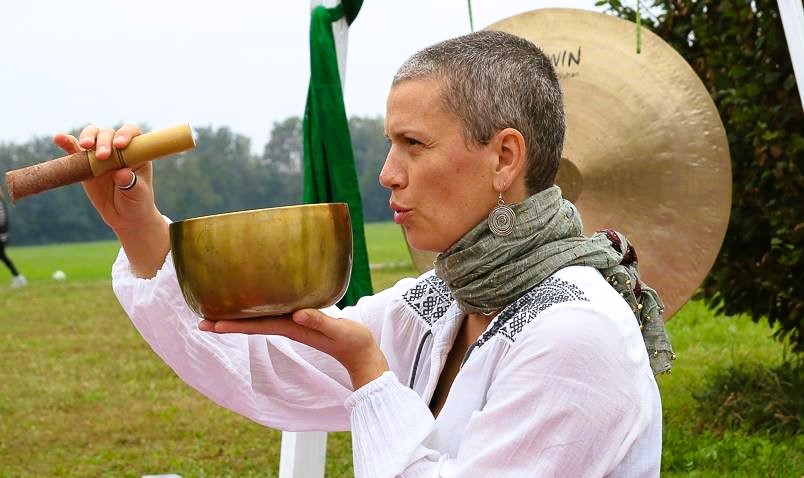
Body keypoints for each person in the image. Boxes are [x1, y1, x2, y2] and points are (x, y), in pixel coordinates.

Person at [55, 30, 673, 477]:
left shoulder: (574, 335)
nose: (386, 174)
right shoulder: (443, 301)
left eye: (413, 144)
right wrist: (136, 225)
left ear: (504, 158)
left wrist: (370, 377)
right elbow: (267, 365)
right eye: (389, 144)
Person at [0, 189, 27, 288]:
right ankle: (18, 277)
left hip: (1, 236)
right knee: (3, 257)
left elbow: (1, 221)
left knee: (3, 256)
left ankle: (19, 278)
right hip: (3, 235)